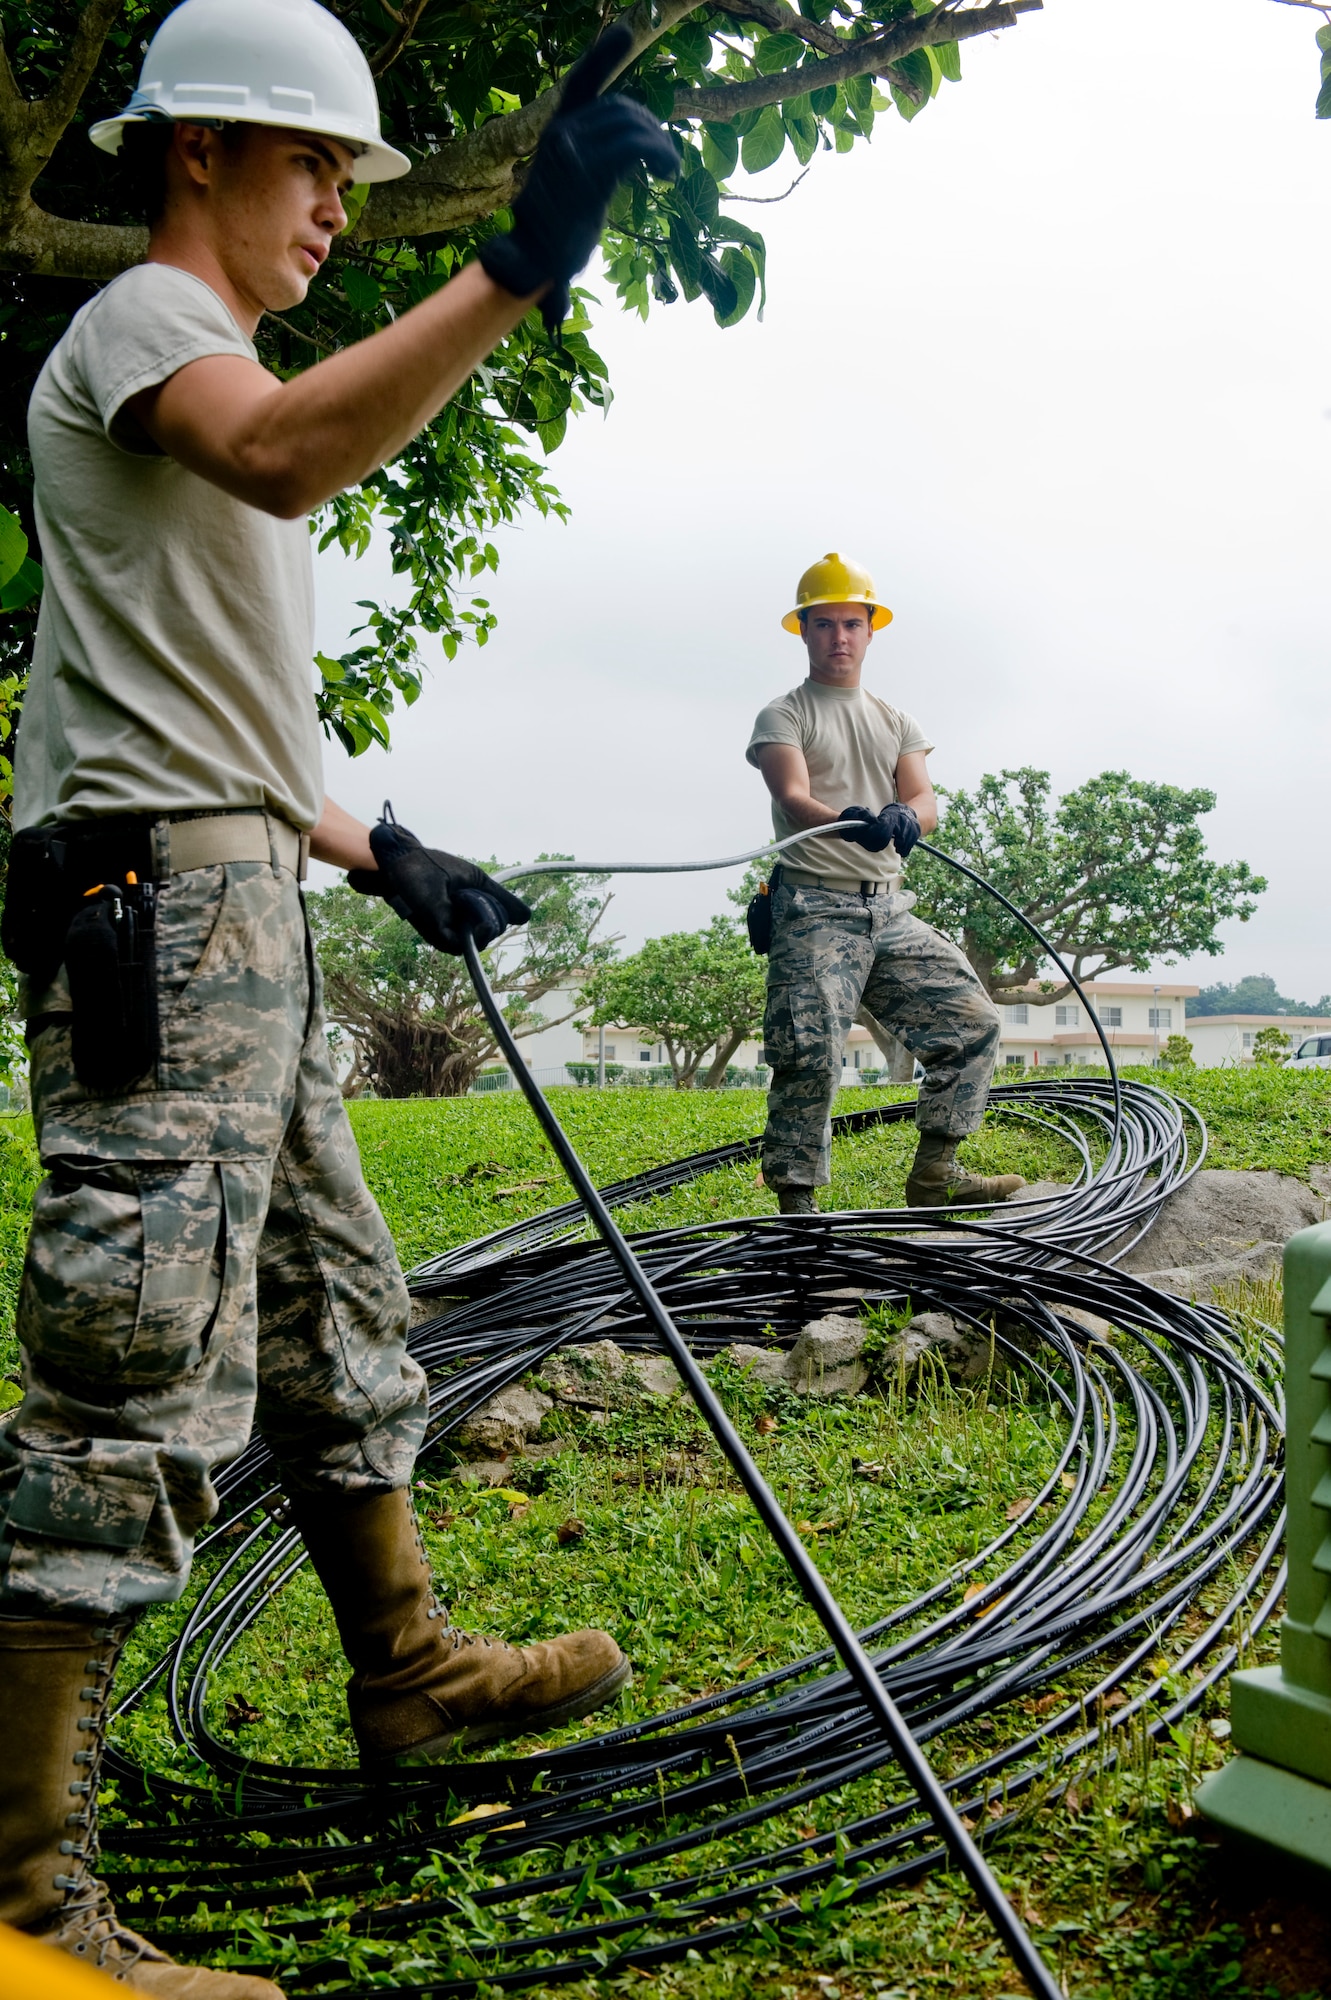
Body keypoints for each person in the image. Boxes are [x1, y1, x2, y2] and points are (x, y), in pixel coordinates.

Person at [0, 1, 677, 1991]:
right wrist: (515, 264)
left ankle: (405, 1676)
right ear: (195, 149)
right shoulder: (141, 328)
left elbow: (200, 712)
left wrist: (374, 846)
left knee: (328, 1315)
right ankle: (25, 1909)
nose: (335, 207)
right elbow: (287, 461)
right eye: (313, 165)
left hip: (236, 916)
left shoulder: (209, 363)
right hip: (153, 933)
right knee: (129, 1382)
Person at [747, 553, 1027, 1216]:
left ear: (870, 631)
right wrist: (846, 822)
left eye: (850, 623)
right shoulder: (782, 715)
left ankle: (935, 1176)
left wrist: (906, 817)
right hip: (814, 905)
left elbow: (924, 796)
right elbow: (790, 795)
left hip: (888, 911)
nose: (838, 637)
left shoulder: (896, 720)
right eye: (823, 624)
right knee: (809, 1050)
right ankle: (798, 1208)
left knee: (972, 1023)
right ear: (804, 631)